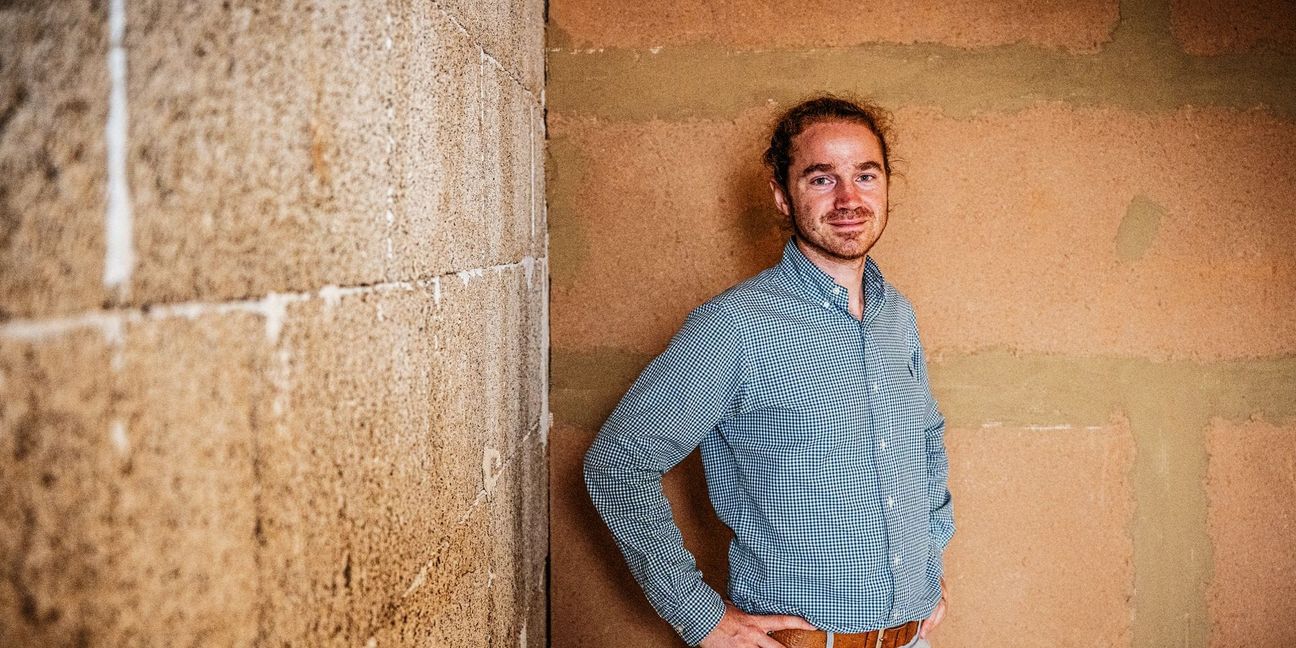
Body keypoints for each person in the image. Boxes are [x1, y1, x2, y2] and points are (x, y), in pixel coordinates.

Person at [584, 95, 954, 648]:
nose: (849, 198)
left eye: (865, 175)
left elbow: (925, 441)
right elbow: (617, 465)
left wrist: (929, 565)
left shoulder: (896, 314)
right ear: (782, 196)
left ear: (887, 187)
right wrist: (700, 616)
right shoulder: (735, 325)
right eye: (821, 179)